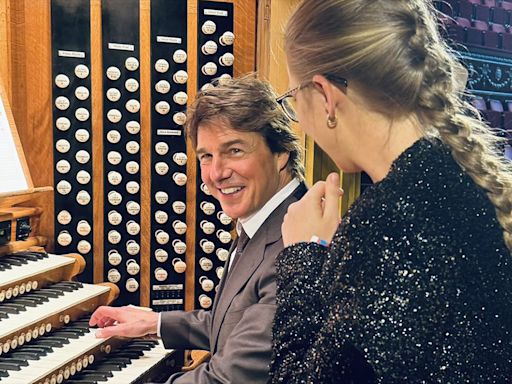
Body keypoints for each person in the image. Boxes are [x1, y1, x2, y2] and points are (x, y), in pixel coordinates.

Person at [269, 1, 512, 383]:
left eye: (293, 102)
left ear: (325, 95)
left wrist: (303, 254)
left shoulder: (386, 222)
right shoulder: (464, 175)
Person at [89, 75, 306, 383]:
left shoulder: (296, 243)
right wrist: (157, 322)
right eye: (206, 156)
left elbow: (226, 379)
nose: (217, 173)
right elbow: (240, 325)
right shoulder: (270, 217)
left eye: (235, 150)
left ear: (281, 153)